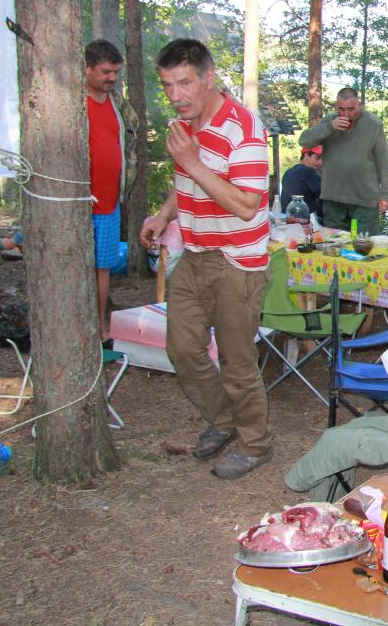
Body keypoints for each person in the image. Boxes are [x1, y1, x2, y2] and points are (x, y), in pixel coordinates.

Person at [139, 39, 273, 480]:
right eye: (167, 85)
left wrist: (192, 162)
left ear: (209, 78)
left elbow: (247, 205)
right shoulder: (185, 124)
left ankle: (256, 444)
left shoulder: (244, 129)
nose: (175, 96)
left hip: (237, 263)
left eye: (184, 83)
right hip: (194, 255)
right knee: (181, 348)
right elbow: (185, 181)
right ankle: (224, 418)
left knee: (237, 361)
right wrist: (163, 215)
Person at [84, 40, 139, 344]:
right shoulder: (74, 103)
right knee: (76, 267)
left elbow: (130, 139)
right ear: (87, 69)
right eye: (106, 72)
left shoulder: (118, 104)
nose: (112, 78)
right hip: (77, 203)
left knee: (102, 268)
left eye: (116, 73)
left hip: (108, 203)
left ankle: (100, 327)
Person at [298, 88, 388, 236]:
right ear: (336, 106)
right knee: (335, 245)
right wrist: (330, 127)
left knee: (364, 245)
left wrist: (386, 195)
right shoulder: (330, 121)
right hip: (333, 199)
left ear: (359, 105)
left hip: (364, 200)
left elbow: (383, 162)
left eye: (351, 109)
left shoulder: (373, 124)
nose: (346, 114)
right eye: (342, 109)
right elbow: (304, 141)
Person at [279, 145, 323, 216]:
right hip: (304, 219)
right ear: (306, 156)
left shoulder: (288, 172)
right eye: (317, 158)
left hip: (285, 217)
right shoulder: (309, 172)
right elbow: (323, 195)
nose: (320, 162)